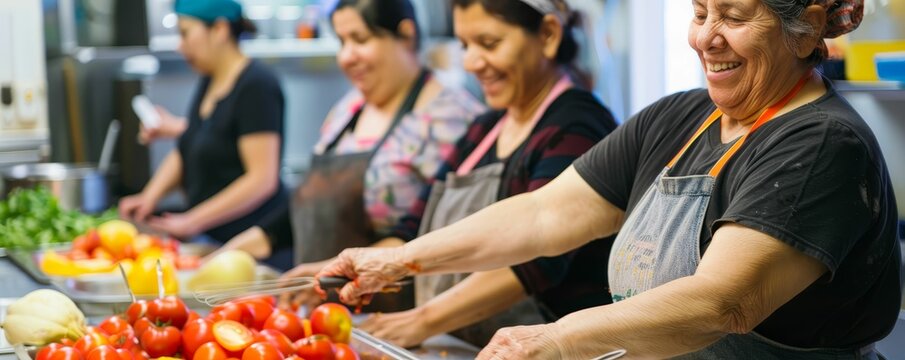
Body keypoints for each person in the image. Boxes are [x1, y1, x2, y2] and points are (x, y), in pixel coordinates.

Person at [318, 0, 903, 358]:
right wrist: (396, 261)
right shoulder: (679, 116)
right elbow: (547, 213)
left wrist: (557, 341)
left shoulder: (821, 142)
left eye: (734, 16)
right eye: (700, 12)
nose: (705, 37)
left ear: (806, 28)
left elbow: (725, 302)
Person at [281, 0, 618, 347]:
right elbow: (412, 228)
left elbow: (538, 260)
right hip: (468, 344)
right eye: (464, 46)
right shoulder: (484, 128)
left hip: (550, 348)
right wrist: (338, 270)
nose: (471, 63)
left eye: (488, 43)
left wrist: (422, 320)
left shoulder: (578, 125)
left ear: (547, 35)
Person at [213, 0, 485, 277]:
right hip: (325, 305)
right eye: (342, 41)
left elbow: (451, 236)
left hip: (398, 308)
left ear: (406, 34)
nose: (346, 56)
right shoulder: (348, 110)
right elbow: (310, 208)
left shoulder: (453, 119)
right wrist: (236, 250)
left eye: (360, 39)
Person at [119, 0, 288, 259]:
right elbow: (189, 145)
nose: (180, 44)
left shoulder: (257, 85)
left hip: (252, 251)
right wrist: (149, 196)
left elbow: (262, 180)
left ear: (219, 29)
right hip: (213, 243)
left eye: (185, 33)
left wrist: (192, 221)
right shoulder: (211, 79)